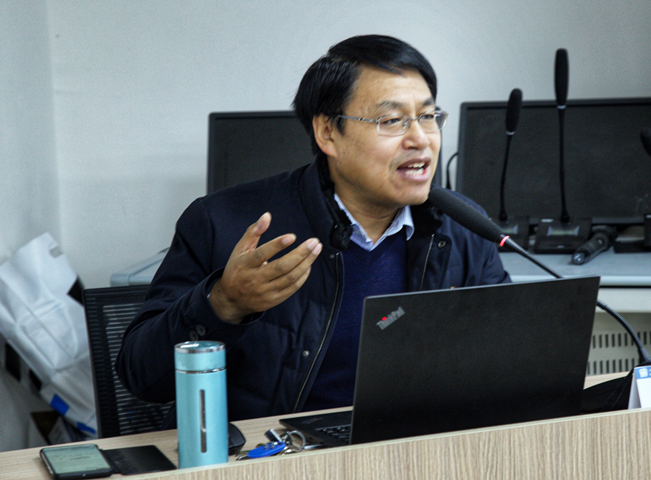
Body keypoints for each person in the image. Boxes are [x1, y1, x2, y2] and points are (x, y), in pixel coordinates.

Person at [116, 34, 510, 426]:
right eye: (392, 121)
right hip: (276, 452)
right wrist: (223, 304)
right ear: (327, 133)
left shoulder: (463, 226)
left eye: (427, 116)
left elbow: (509, 359)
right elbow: (141, 378)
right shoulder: (222, 222)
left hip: (415, 444)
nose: (420, 139)